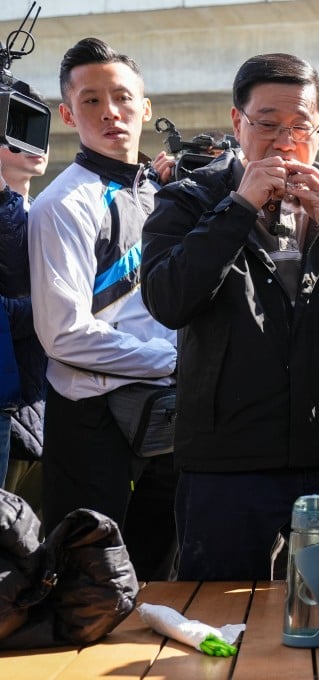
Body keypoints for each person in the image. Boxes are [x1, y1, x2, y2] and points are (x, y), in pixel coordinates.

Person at [141, 53, 319, 580]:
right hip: (226, 462)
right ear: (238, 122)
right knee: (218, 623)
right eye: (267, 124)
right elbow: (168, 300)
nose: (285, 140)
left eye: (301, 126)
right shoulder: (188, 198)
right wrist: (237, 208)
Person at [26, 38, 179, 580]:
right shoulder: (62, 204)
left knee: (160, 577)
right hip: (92, 424)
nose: (110, 112)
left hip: (163, 415)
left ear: (146, 107)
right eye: (90, 101)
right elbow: (63, 334)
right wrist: (172, 361)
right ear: (67, 114)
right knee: (88, 587)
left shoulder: (165, 194)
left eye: (121, 97)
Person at [0, 100, 49, 502]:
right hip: (11, 413)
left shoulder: (47, 212)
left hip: (47, 412)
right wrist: (56, 310)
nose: (31, 142)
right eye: (14, 129)